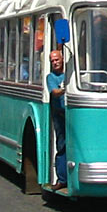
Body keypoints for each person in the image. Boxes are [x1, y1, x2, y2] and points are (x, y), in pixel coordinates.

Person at [46, 50, 67, 189]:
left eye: (57, 60)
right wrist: (67, 87)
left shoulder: (70, 74)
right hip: (59, 115)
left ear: (63, 59)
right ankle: (62, 179)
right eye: (52, 61)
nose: (55, 62)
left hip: (72, 114)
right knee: (62, 145)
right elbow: (55, 92)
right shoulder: (51, 77)